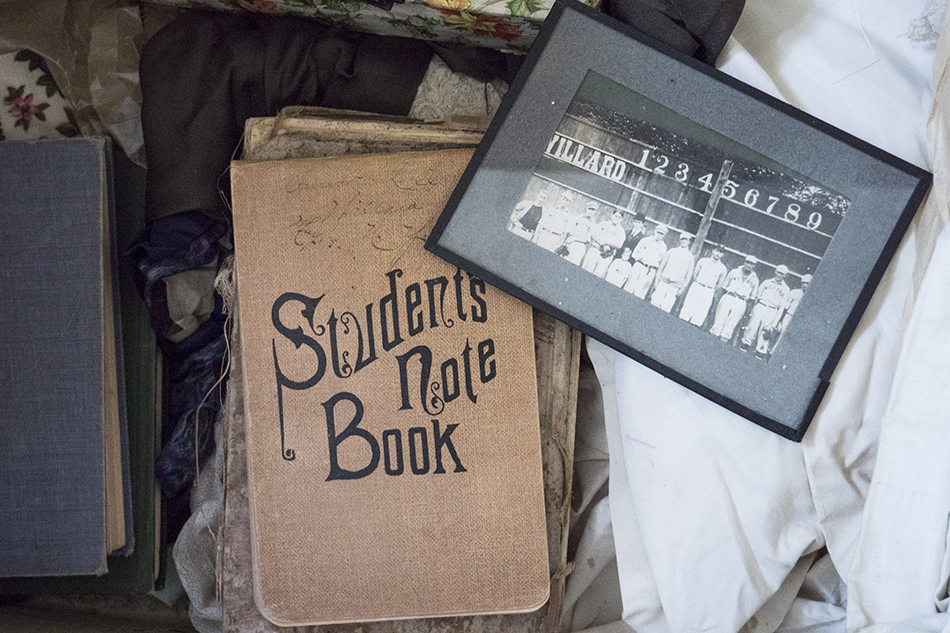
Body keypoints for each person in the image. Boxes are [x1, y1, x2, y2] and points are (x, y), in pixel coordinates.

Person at [741, 264, 792, 356]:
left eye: (782, 274)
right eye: (778, 272)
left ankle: (759, 355)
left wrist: (775, 323)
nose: (779, 275)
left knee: (765, 335)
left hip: (772, 310)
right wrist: (754, 309)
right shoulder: (766, 282)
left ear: (785, 276)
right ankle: (743, 350)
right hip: (760, 306)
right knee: (751, 329)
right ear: (775, 272)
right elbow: (757, 297)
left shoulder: (786, 289)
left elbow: (781, 308)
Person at [709, 255, 759, 343]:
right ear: (744, 262)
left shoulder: (755, 279)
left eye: (752, 264)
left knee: (730, 325)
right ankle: (711, 340)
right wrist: (720, 299)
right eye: (747, 262)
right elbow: (724, 286)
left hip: (741, 301)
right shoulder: (735, 272)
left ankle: (721, 343)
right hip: (729, 296)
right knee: (719, 321)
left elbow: (752, 297)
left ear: (754, 266)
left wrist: (747, 310)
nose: (749, 265)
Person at [679, 245, 728, 326]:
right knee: (688, 306)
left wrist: (710, 289)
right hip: (697, 286)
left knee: (701, 311)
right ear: (713, 250)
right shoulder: (703, 261)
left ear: (723, 255)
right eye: (717, 250)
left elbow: (720, 284)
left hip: (708, 290)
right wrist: (699, 283)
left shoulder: (722, 268)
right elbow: (695, 274)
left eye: (721, 252)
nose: (718, 254)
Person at [650, 232, 696, 312]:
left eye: (686, 240)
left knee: (665, 308)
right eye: (682, 239)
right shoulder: (671, 251)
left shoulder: (690, 257)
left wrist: (682, 288)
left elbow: (688, 275)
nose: (684, 241)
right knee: (654, 303)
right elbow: (661, 266)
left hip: (675, 287)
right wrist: (657, 280)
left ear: (689, 242)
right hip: (663, 282)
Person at [769, 273, 811, 353]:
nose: (805, 285)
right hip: (788, 317)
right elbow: (785, 308)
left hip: (799, 321)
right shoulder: (795, 292)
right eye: (803, 283)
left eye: (807, 283)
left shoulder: (811, 297)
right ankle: (771, 354)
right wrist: (780, 321)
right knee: (780, 337)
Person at [624, 224, 668, 298]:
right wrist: (639, 259)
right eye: (658, 233)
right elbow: (635, 253)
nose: (659, 235)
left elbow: (661, 261)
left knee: (640, 293)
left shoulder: (663, 247)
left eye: (661, 234)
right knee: (629, 288)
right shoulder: (645, 240)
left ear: (664, 236)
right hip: (639, 265)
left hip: (649, 270)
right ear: (655, 232)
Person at [581, 208, 628, 276]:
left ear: (621, 219)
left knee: (597, 275)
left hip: (606, 255)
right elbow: (593, 234)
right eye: (615, 216)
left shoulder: (621, 231)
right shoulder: (603, 224)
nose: (617, 218)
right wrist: (602, 243)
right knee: (585, 270)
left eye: (619, 217)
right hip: (595, 250)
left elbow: (619, 244)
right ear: (612, 215)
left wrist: (606, 243)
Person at [561, 200, 599, 265]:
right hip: (569, 242)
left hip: (580, 246)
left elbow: (587, 239)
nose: (590, 211)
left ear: (595, 212)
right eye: (589, 209)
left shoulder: (593, 225)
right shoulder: (577, 217)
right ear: (586, 208)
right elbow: (569, 231)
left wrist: (574, 238)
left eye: (593, 210)